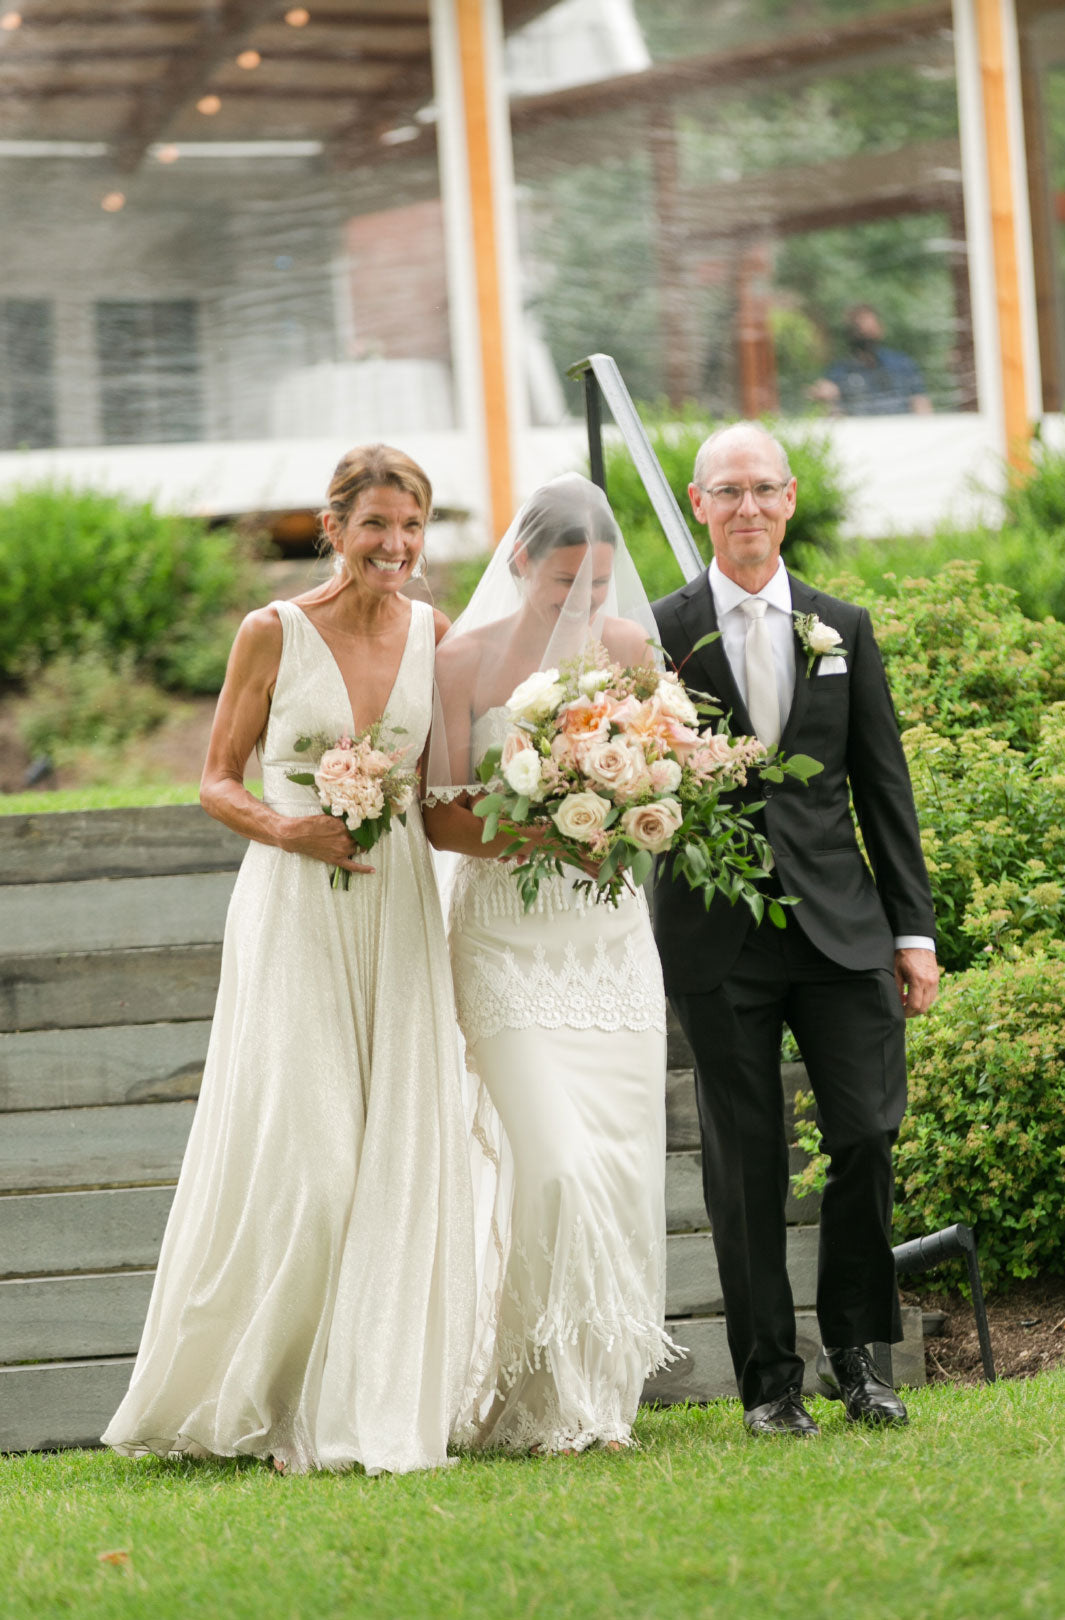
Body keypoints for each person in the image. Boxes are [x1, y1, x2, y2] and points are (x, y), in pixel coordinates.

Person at [102, 444, 475, 1475]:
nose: (395, 547)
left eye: (412, 528)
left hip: (397, 903)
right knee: (311, 1164)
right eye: (376, 526)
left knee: (391, 1154)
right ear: (334, 525)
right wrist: (288, 827)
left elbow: (446, 795)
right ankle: (265, 1399)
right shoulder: (272, 632)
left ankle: (361, 1399)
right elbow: (216, 779)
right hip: (294, 905)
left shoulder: (435, 635)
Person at [651, 422, 939, 1437]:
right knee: (747, 1162)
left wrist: (915, 932)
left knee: (867, 1130)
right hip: (715, 937)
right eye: (725, 492)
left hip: (841, 928)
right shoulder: (657, 634)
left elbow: (882, 787)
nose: (746, 509)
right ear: (698, 505)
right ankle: (770, 1382)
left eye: (762, 490)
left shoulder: (841, 627)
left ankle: (859, 1356)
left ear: (791, 498)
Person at [424, 473, 680, 1455]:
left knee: (614, 1169)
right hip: (504, 937)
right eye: (565, 580)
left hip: (608, 941)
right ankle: (536, 1388)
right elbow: (440, 812)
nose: (584, 602)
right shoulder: (463, 660)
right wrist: (535, 829)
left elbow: (668, 774)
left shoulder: (622, 648)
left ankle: (594, 1402)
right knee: (558, 1168)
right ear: (522, 561)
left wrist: (634, 806)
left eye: (601, 584)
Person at [808, 303, 933, 416]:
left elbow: (921, 403)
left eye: (871, 328)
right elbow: (836, 415)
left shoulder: (901, 364)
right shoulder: (839, 372)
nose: (867, 334)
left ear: (880, 330)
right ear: (851, 334)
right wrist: (829, 401)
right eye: (861, 330)